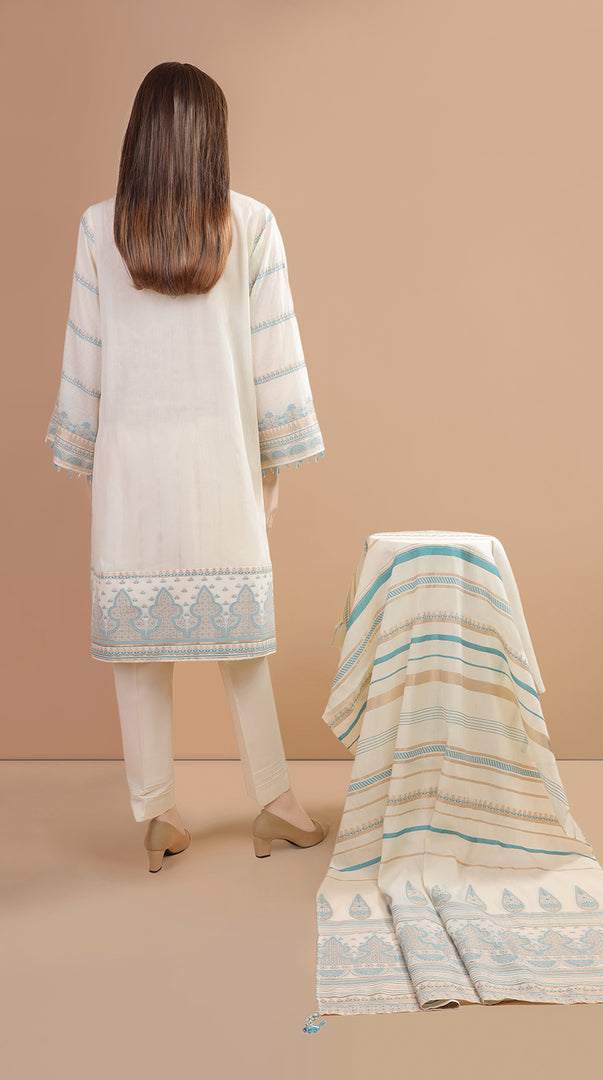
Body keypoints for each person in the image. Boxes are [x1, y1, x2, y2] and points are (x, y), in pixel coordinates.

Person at [44, 61, 330, 872]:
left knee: (141, 654)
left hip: (131, 471)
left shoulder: (99, 227)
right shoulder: (252, 224)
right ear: (212, 137)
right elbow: (274, 359)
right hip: (222, 464)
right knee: (244, 647)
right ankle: (275, 803)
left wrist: (83, 454)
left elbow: (85, 357)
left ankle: (157, 813)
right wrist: (271, 472)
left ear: (139, 135)